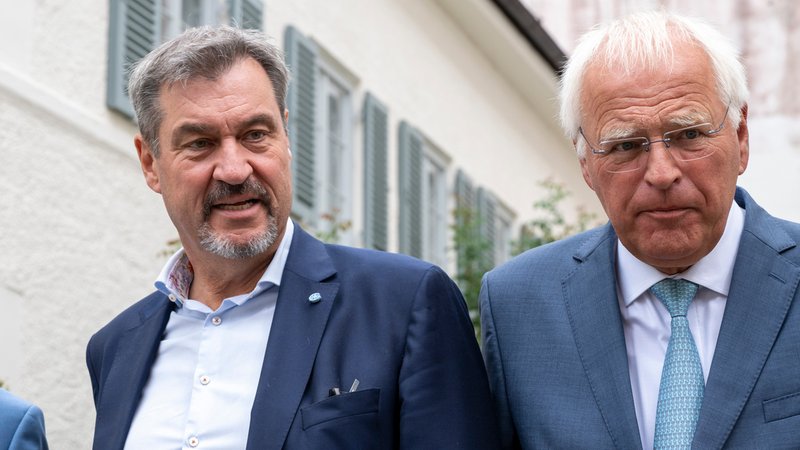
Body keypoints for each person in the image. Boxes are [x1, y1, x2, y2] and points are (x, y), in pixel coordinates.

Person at [86, 26, 499, 450]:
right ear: (151, 162)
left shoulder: (404, 302)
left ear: (286, 137)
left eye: (255, 135)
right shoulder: (115, 348)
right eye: (201, 143)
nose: (234, 170)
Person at [480, 10, 800, 449]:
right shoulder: (519, 306)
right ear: (586, 165)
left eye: (688, 134)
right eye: (625, 145)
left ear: (741, 137)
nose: (662, 173)